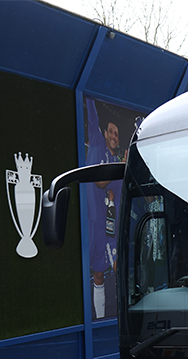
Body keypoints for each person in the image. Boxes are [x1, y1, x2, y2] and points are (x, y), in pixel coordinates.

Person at [85, 98, 123, 319]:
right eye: (111, 132)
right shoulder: (97, 144)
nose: (114, 136)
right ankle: (98, 321)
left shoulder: (118, 162)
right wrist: (90, 96)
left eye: (117, 134)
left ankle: (132, 312)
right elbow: (93, 117)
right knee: (97, 275)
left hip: (110, 229)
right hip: (92, 221)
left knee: (120, 269)